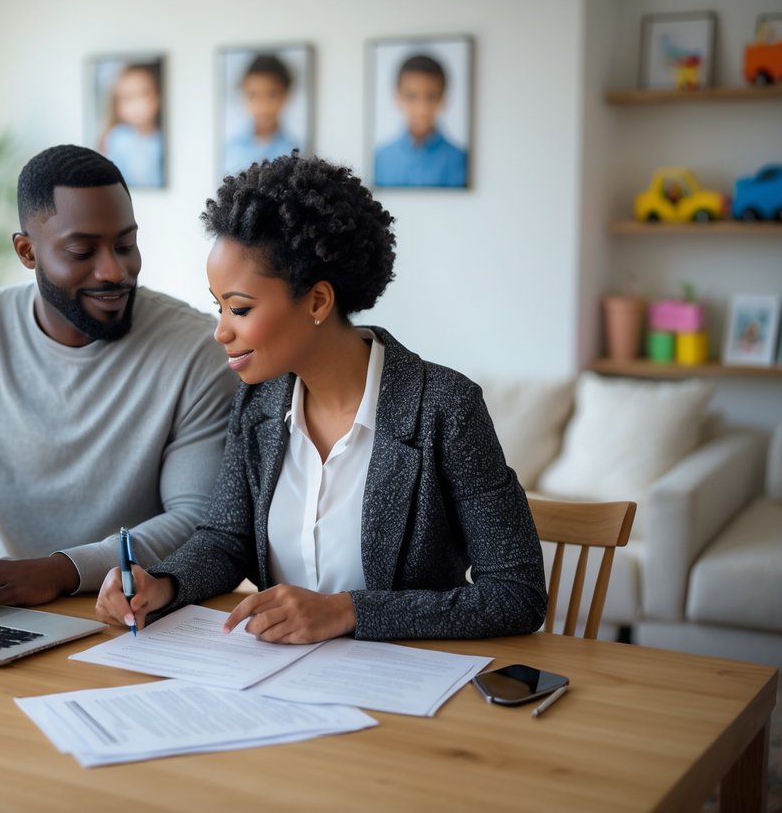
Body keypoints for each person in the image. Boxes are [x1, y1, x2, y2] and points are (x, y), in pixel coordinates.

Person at [97, 152, 547, 644]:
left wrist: (347, 612)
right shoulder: (259, 402)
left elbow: (516, 594)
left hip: (404, 689)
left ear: (317, 301)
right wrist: (162, 584)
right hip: (278, 680)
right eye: (218, 305)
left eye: (240, 308)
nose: (221, 331)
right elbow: (226, 540)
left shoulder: (446, 408)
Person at [0, 144, 236, 607]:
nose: (114, 270)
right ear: (27, 252)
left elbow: (197, 521)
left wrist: (61, 571)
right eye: (82, 250)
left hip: (135, 614)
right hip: (2, 609)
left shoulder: (195, 350)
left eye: (126, 245)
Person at [373, 53, 468, 188]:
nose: (421, 109)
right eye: (411, 96)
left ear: (443, 99)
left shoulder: (461, 160)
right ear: (397, 97)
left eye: (431, 97)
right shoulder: (379, 159)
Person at [222, 54, 301, 175]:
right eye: (252, 95)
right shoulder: (230, 148)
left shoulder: (297, 151)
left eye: (272, 95)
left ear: (286, 95)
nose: (262, 105)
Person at [98, 63, 164, 188]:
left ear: (158, 97)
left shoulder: (162, 139)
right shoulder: (116, 138)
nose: (137, 105)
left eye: (144, 94)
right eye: (128, 98)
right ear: (117, 104)